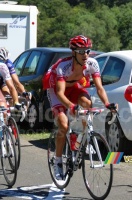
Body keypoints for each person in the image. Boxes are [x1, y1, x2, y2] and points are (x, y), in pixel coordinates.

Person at [42, 35, 117, 180]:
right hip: (57, 91)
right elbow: (60, 92)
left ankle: (84, 137)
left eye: (87, 51)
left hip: (74, 87)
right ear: (73, 52)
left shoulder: (92, 63)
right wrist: (71, 106)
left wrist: (108, 104)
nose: (85, 55)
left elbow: (100, 88)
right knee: (63, 125)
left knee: (88, 104)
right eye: (81, 51)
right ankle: (57, 161)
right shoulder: (63, 66)